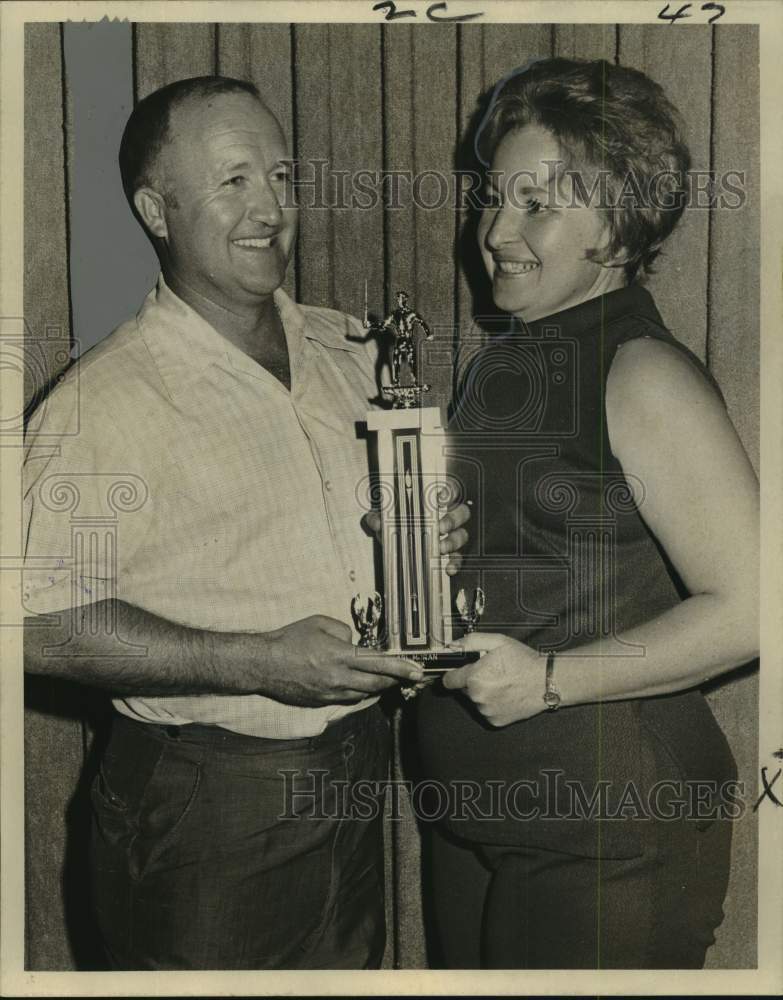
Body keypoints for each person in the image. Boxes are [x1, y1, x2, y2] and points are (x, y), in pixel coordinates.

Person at [22, 76, 469, 970]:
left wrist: (432, 542)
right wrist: (256, 660)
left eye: (279, 175)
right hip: (204, 796)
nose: (270, 207)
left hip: (355, 766)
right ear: (157, 209)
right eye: (233, 181)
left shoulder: (353, 351)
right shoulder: (104, 399)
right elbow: (30, 622)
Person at [416, 58, 759, 969]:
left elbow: (756, 607)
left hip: (606, 822)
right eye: (494, 196)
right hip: (495, 820)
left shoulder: (640, 370)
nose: (494, 231)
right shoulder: (510, 359)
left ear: (617, 223)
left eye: (539, 204)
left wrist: (548, 681)